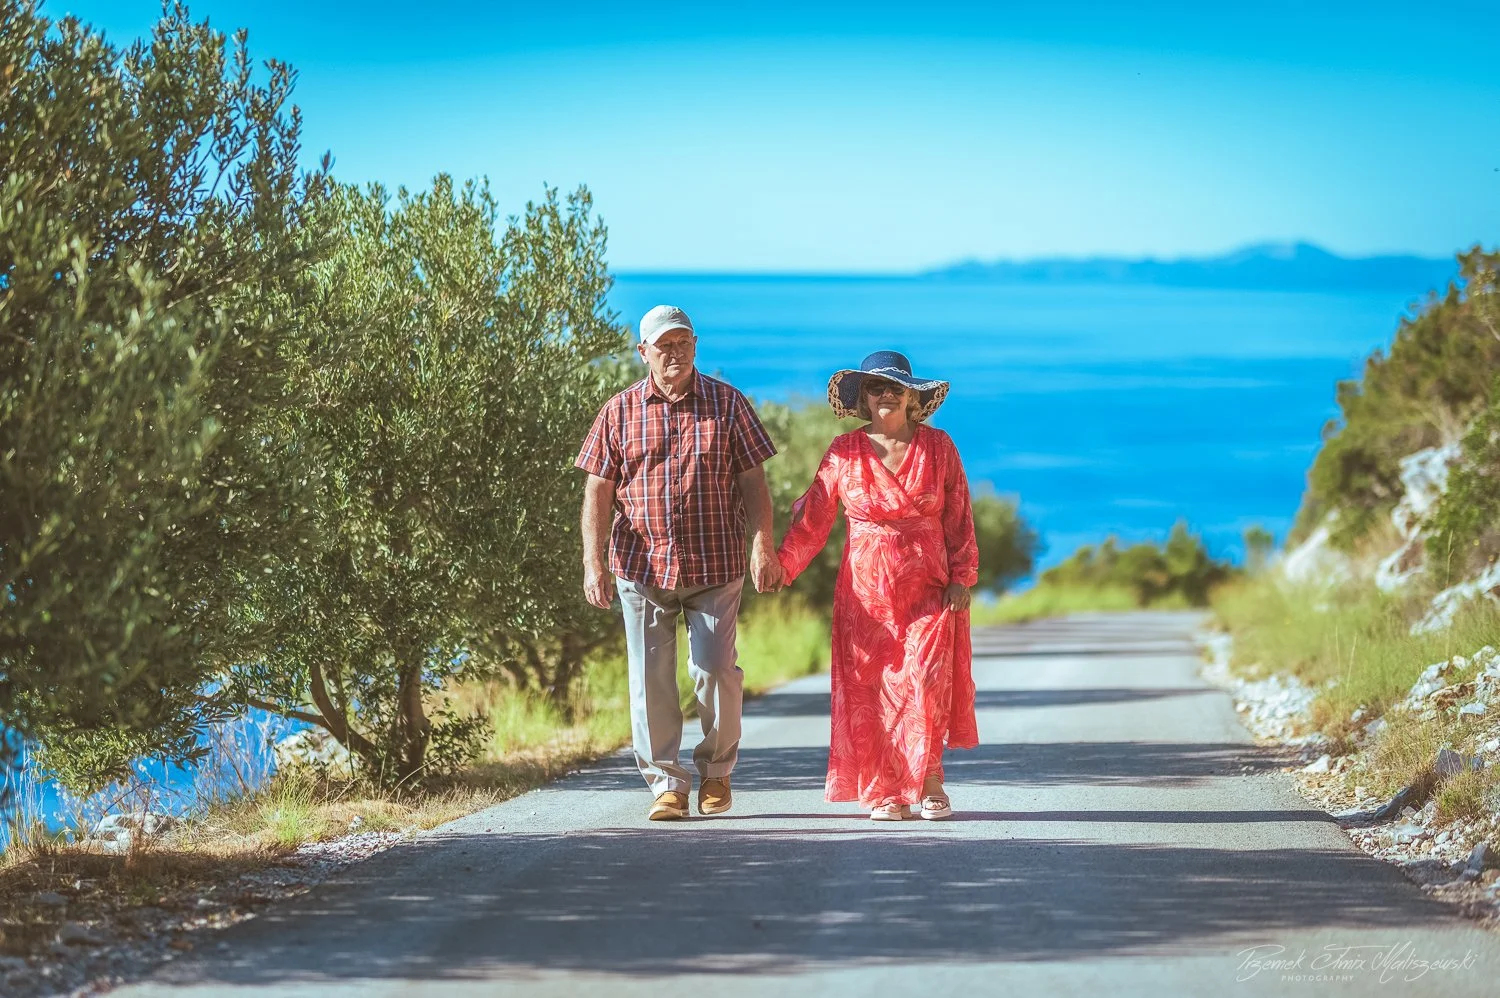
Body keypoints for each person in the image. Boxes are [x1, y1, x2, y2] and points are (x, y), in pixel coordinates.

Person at [576, 305, 782, 821]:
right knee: (651, 681)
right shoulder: (617, 412)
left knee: (715, 669)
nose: (675, 353)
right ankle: (667, 784)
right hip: (641, 569)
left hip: (715, 562)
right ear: (642, 352)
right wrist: (592, 562)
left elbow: (753, 481)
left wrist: (763, 545)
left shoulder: (728, 403)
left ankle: (716, 773)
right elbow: (598, 490)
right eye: (663, 345)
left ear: (696, 345)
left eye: (683, 343)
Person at [777, 350, 978, 821]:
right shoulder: (844, 452)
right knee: (871, 694)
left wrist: (963, 576)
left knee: (925, 681)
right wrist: (781, 565)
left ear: (912, 397)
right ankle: (885, 792)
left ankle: (929, 782)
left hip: (929, 588)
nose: (886, 394)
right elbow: (814, 520)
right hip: (865, 599)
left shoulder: (940, 447)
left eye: (895, 388)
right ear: (863, 399)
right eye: (875, 387)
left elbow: (960, 517)